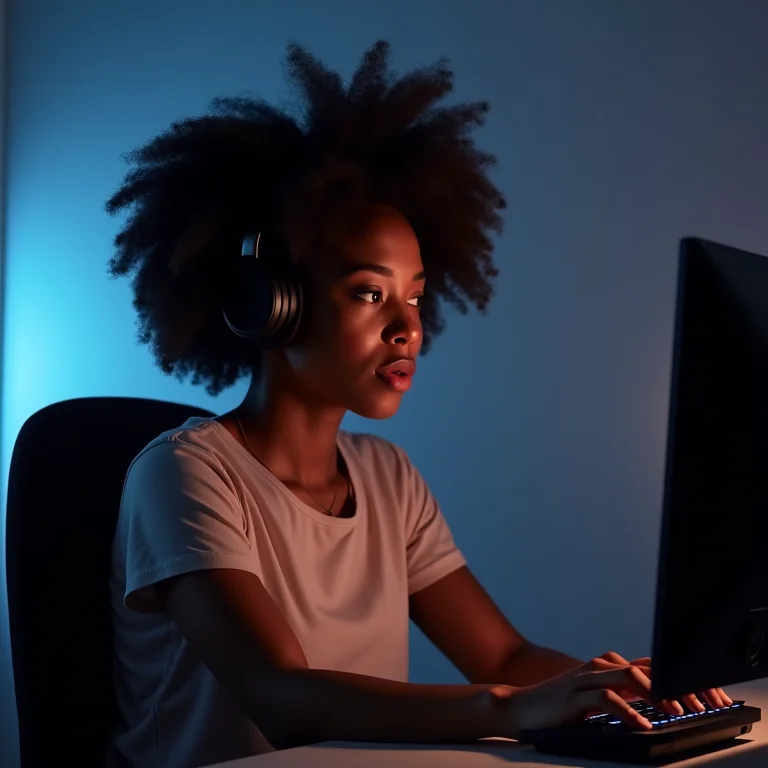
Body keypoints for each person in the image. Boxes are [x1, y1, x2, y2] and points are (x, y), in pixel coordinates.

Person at [105, 40, 729, 768]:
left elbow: (503, 651)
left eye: (416, 296)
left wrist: (630, 691)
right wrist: (509, 706)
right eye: (370, 293)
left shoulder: (387, 477)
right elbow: (283, 698)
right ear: (271, 303)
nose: (407, 328)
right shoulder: (182, 475)